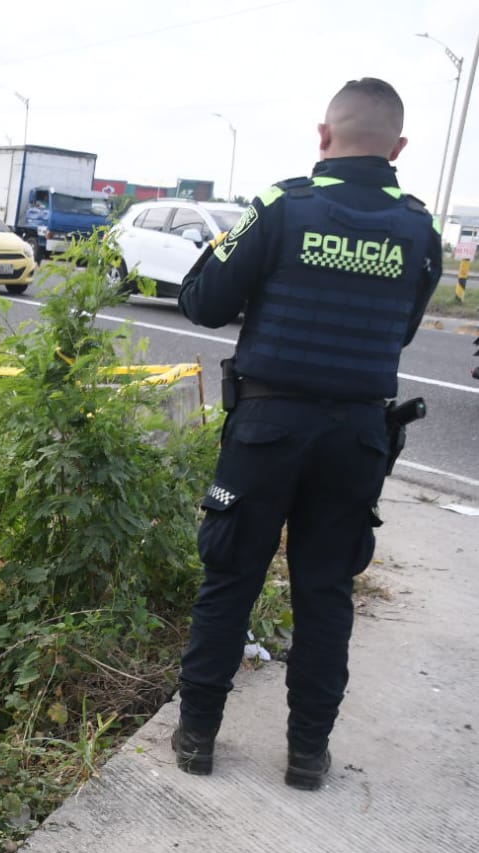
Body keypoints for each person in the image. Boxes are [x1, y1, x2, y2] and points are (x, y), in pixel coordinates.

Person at [172, 77, 443, 790]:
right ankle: (305, 756)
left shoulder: (281, 207)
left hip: (267, 428)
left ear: (323, 137)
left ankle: (197, 738)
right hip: (354, 437)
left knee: (230, 579)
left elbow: (201, 302)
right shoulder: (419, 229)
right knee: (325, 594)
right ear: (399, 147)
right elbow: (402, 329)